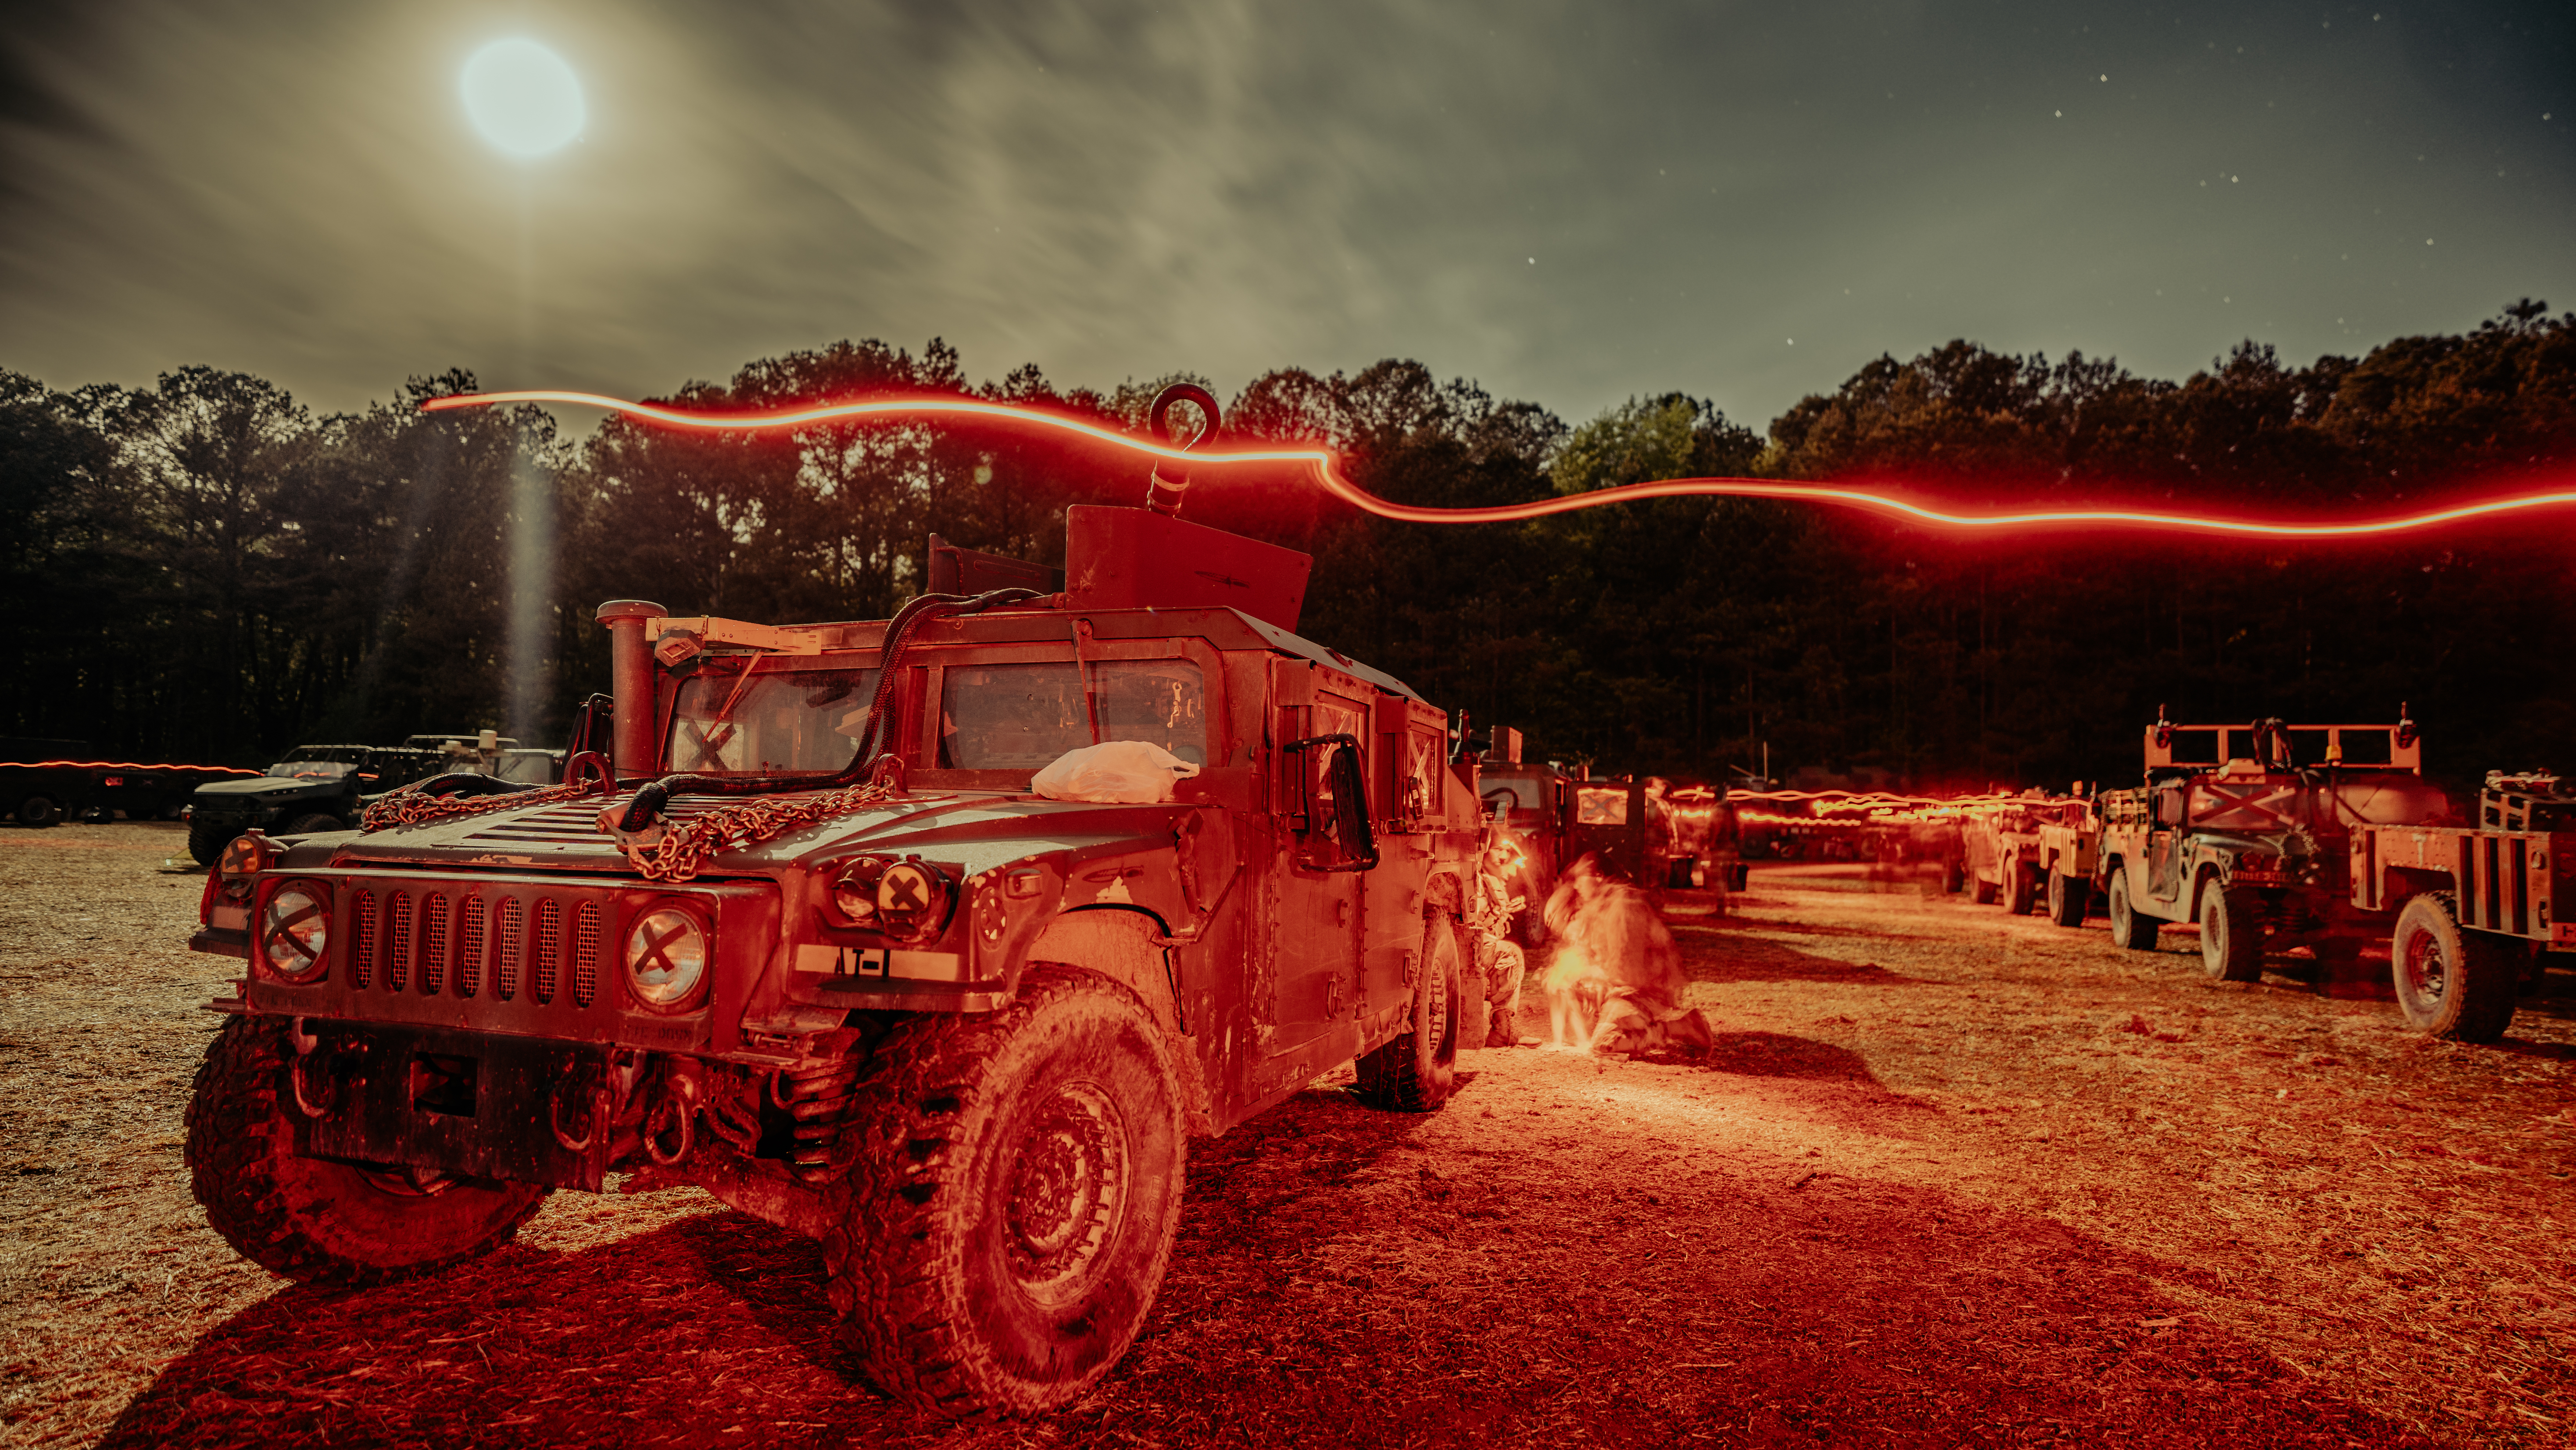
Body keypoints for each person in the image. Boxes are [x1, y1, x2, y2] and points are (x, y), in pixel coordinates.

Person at [1465, 829, 1531, 1048]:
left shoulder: (1494, 880)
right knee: (1510, 954)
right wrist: (1492, 914)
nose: (1504, 856)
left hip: (1476, 940)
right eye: (1497, 849)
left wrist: (1501, 915)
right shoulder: (1474, 877)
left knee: (1508, 952)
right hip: (1464, 942)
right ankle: (1502, 1029)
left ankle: (1503, 1028)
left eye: (1508, 851)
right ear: (1484, 850)